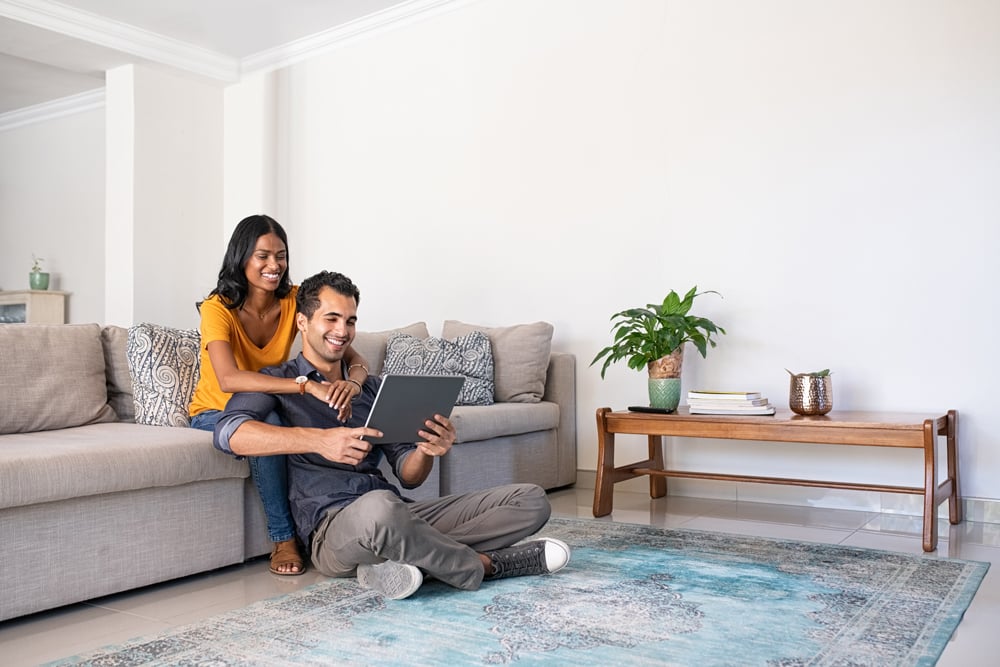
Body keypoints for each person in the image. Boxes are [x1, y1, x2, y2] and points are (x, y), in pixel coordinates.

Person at [213, 270, 570, 599]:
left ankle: (403, 559)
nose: (343, 331)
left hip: (397, 512)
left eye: (350, 320)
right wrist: (319, 440)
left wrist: (428, 450)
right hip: (332, 529)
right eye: (332, 318)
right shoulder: (279, 381)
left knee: (531, 500)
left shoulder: (370, 388)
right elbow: (228, 434)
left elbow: (409, 478)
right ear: (303, 322)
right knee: (381, 512)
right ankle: (484, 565)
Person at [189, 215, 371, 577]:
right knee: (268, 423)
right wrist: (305, 385)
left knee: (307, 419)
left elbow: (352, 354)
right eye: (263, 256)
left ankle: (339, 519)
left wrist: (354, 382)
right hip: (216, 409)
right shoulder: (217, 307)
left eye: (281, 256)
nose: (274, 265)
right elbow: (228, 379)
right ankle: (283, 537)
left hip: (270, 398)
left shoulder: (294, 299)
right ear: (242, 257)